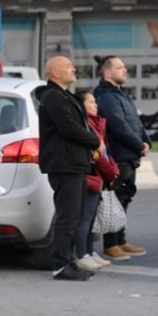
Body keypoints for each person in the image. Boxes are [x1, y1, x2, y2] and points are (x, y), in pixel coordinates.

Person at [35, 56, 103, 281]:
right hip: (65, 165)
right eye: (68, 66)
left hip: (73, 163)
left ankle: (69, 260)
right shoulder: (54, 97)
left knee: (74, 216)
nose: (73, 69)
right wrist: (95, 142)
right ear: (54, 73)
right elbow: (69, 128)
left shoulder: (62, 96)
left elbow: (76, 125)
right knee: (68, 216)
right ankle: (61, 265)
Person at [93, 55, 151, 261]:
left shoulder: (121, 94)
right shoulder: (106, 97)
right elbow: (118, 126)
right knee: (115, 200)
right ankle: (111, 244)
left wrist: (147, 141)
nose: (125, 70)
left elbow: (136, 121)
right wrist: (138, 145)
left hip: (130, 155)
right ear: (108, 73)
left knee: (125, 198)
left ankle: (121, 239)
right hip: (118, 156)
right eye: (120, 67)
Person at [73, 90, 118, 271]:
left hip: (99, 177)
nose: (96, 105)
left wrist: (112, 170)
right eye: (91, 103)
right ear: (82, 106)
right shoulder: (86, 126)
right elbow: (98, 156)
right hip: (91, 177)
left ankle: (90, 252)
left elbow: (105, 152)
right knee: (85, 218)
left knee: (91, 220)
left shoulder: (96, 124)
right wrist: (111, 173)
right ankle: (81, 254)